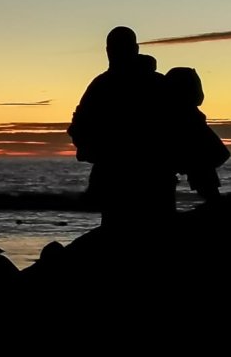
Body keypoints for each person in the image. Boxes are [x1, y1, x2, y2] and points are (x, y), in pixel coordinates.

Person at [68, 27, 175, 230]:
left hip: (128, 179)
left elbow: (78, 127)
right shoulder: (157, 83)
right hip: (150, 178)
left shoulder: (102, 85)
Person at [164, 66, 229, 200]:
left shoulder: (188, 113)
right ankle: (214, 203)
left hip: (192, 157)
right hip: (190, 156)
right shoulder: (186, 115)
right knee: (202, 168)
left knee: (203, 168)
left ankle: (214, 201)